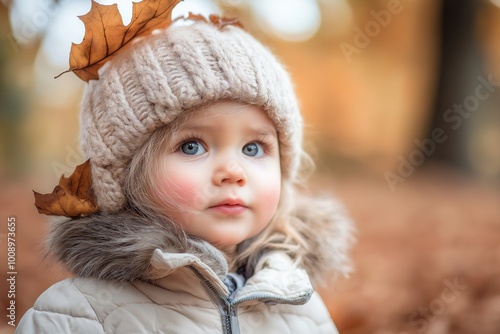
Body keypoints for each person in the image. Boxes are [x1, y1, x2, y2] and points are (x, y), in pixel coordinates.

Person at [16, 10, 353, 334]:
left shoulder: (299, 305)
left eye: (253, 148)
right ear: (126, 178)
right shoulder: (78, 315)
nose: (233, 172)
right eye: (192, 146)